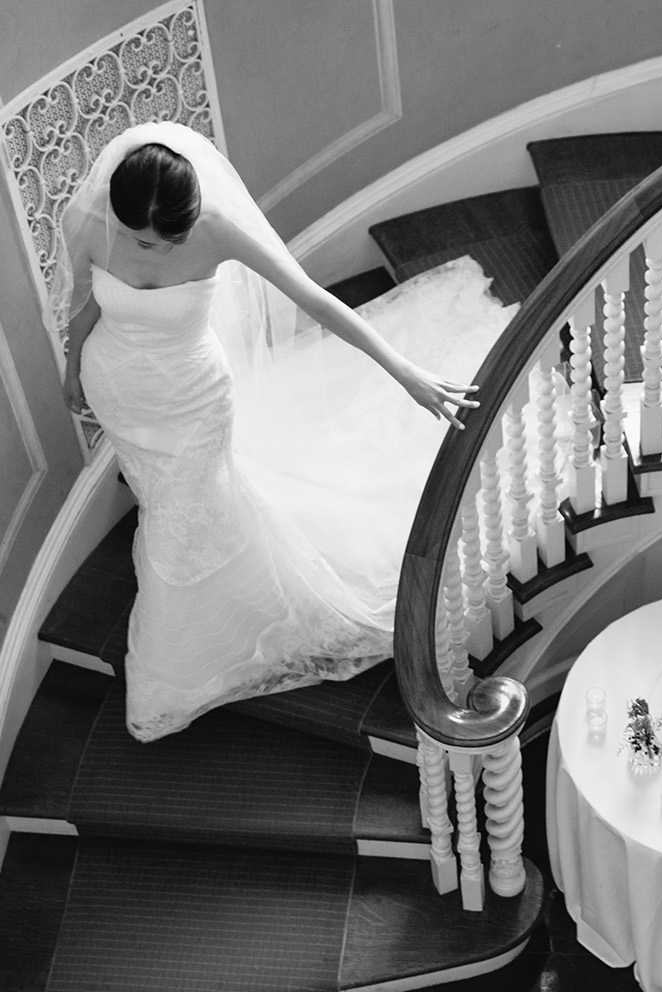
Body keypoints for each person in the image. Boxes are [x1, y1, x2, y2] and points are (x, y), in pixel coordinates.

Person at [54, 122, 513, 741]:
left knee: (182, 511)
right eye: (141, 240)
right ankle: (208, 605)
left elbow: (320, 302)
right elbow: (91, 305)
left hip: (192, 399)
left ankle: (187, 650)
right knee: (166, 502)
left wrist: (404, 373)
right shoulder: (92, 223)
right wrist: (71, 367)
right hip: (120, 389)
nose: (156, 253)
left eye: (171, 241)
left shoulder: (217, 229)